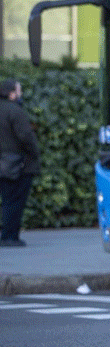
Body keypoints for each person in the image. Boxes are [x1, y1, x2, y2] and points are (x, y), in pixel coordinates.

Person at [0, 80, 40, 247]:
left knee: (7, 200)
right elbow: (26, 137)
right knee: (15, 201)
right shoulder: (16, 111)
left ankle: (7, 234)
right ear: (11, 94)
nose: (21, 94)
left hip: (3, 164)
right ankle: (10, 236)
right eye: (19, 91)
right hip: (19, 164)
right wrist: (35, 153)